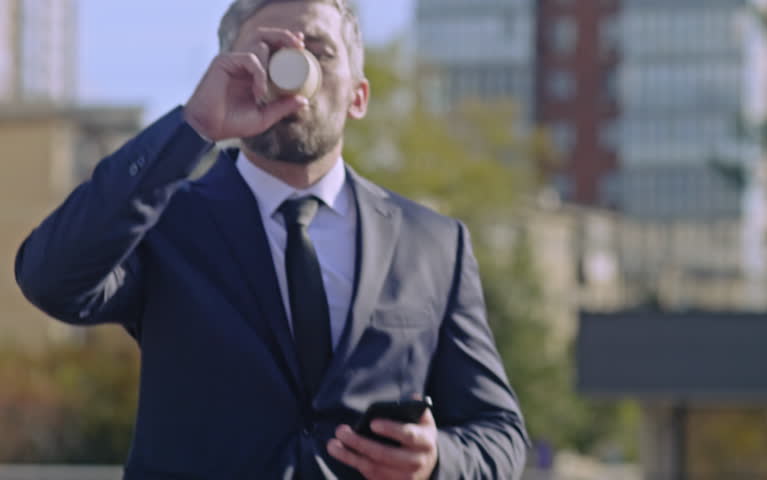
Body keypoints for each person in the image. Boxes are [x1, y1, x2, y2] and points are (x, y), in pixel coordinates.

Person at [14, 0, 528, 478]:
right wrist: (193, 126)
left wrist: (439, 459)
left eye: (319, 51)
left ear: (359, 96)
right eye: (265, 52)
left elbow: (500, 433)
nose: (292, 71)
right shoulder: (164, 220)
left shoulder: (433, 244)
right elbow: (49, 278)